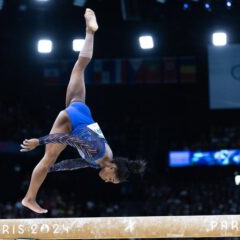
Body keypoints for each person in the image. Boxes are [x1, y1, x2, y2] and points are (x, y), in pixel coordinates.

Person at [20, 8, 146, 214]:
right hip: (69, 121)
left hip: (80, 109)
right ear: (112, 168)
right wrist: (40, 142)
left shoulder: (102, 159)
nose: (107, 181)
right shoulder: (98, 154)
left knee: (79, 67)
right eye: (112, 179)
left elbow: (76, 163)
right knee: (46, 159)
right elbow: (72, 141)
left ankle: (90, 32)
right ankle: (29, 198)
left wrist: (55, 169)